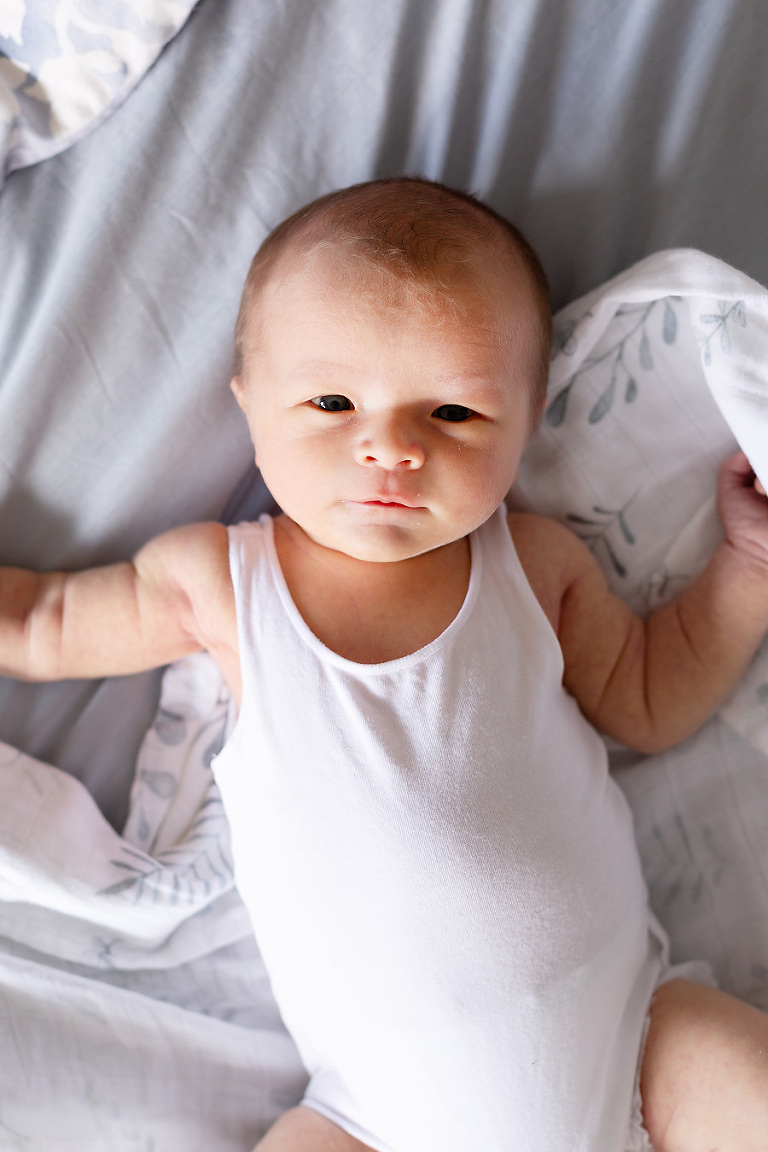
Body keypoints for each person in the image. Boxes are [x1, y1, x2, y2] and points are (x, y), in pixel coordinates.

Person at [2, 178, 768, 1152]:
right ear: (249, 402)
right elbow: (44, 622)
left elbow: (653, 697)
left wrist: (747, 564)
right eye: (332, 402)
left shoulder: (534, 568)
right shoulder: (224, 586)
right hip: (371, 1119)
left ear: (527, 416)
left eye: (452, 411)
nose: (390, 448)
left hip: (636, 1054)